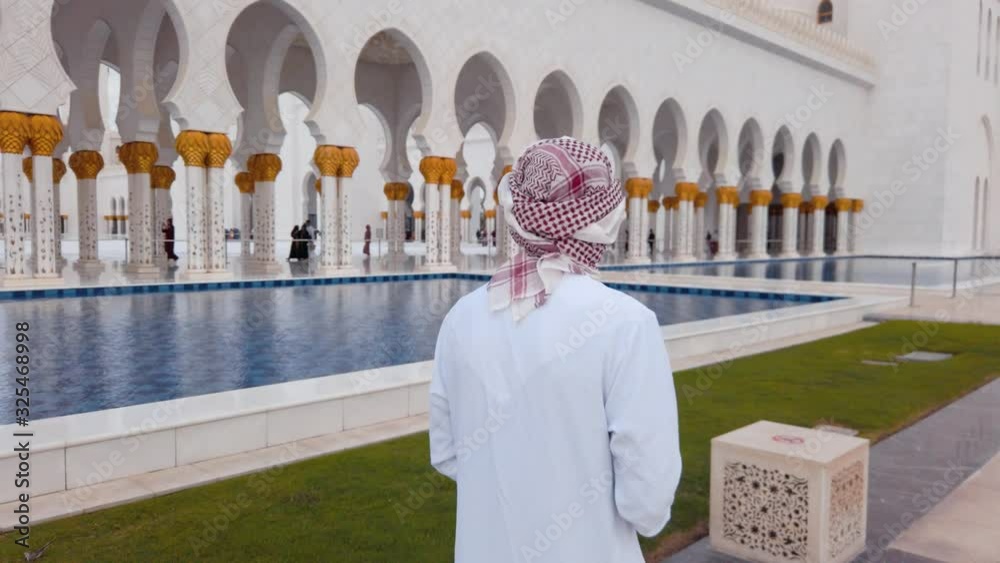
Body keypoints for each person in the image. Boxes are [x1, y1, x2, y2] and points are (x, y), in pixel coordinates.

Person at [429, 137, 681, 563]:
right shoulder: (625, 324)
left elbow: (447, 454)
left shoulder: (463, 317)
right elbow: (648, 499)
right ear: (605, 219)